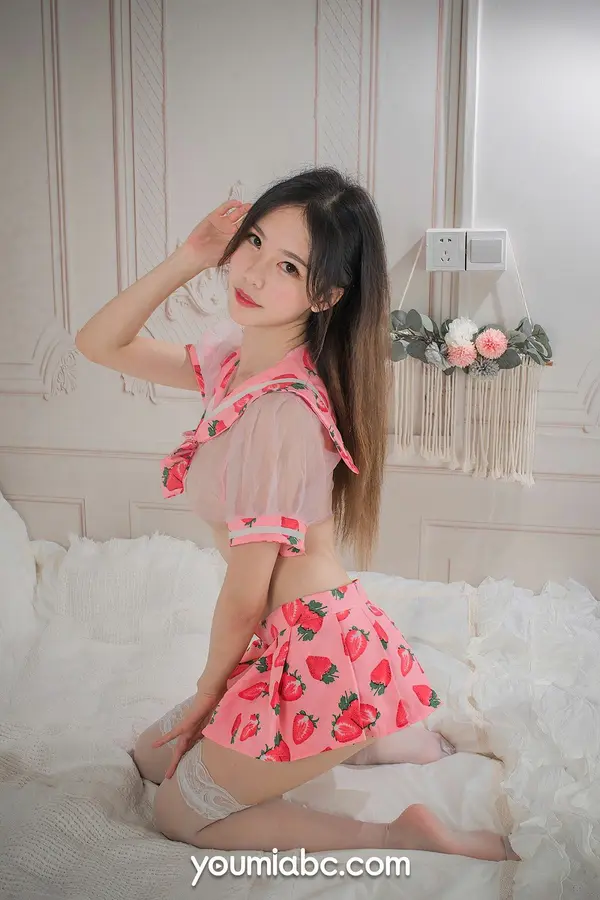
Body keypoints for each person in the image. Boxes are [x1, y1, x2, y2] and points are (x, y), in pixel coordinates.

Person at [75, 167, 518, 860]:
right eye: (253, 241)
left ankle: (395, 828)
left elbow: (246, 593)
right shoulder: (237, 366)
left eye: (287, 266)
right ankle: (376, 739)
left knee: (175, 813)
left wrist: (208, 691)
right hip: (287, 641)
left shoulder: (281, 411)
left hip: (316, 654)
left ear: (325, 295)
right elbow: (99, 344)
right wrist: (190, 257)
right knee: (149, 757)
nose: (252, 272)